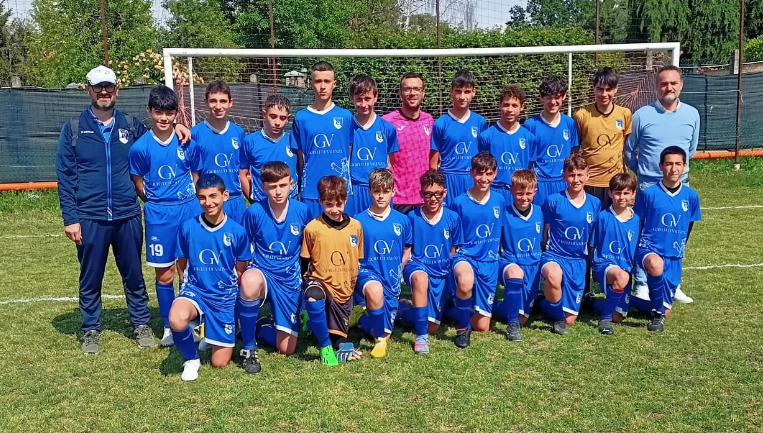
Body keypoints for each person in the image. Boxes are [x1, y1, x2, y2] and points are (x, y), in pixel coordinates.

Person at [55, 65, 159, 354]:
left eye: (109, 87)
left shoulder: (131, 125)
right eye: (98, 87)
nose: (104, 92)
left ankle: (141, 323)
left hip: (127, 215)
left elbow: (159, 142)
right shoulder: (74, 128)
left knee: (134, 275)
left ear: (117, 90)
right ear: (88, 90)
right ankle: (90, 329)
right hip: (90, 217)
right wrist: (71, 218)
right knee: (91, 277)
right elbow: (65, 176)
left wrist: (180, 128)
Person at [129, 85, 201, 347]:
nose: (163, 118)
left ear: (176, 113)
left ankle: (190, 323)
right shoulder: (140, 148)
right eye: (158, 112)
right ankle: (170, 327)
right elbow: (138, 181)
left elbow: (196, 172)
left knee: (187, 270)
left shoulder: (187, 142)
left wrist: (186, 195)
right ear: (149, 111)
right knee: (165, 274)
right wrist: (156, 201)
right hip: (159, 215)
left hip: (188, 210)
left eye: (169, 113)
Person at [625, 65, 700, 305]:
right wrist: (645, 174)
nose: (669, 87)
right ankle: (642, 284)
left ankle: (671, 283)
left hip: (680, 186)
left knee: (676, 234)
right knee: (645, 237)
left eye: (673, 83)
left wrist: (676, 173)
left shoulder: (692, 115)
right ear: (656, 86)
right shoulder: (641, 115)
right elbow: (629, 152)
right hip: (649, 187)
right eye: (664, 83)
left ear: (681, 85)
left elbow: (690, 150)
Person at [168, 173, 251, 382]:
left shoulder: (237, 232)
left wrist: (231, 302)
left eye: (213, 196)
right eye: (202, 197)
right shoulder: (188, 227)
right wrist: (184, 291)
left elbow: (240, 271)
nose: (208, 202)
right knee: (176, 318)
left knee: (219, 363)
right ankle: (191, 359)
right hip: (196, 291)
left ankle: (211, 331)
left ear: (225, 196)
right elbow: (182, 263)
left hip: (223, 298)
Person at [237, 162, 310, 373]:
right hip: (263, 272)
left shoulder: (302, 211)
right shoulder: (254, 212)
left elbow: (309, 247)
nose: (278, 191)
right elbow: (243, 248)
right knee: (250, 281)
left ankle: (261, 327)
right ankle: (249, 349)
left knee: (287, 348)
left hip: (289, 279)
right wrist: (240, 276)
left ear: (291, 185)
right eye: (272, 186)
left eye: (282, 185)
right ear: (263, 187)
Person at [631, 147, 701, 332]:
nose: (673, 168)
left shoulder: (691, 197)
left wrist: (679, 248)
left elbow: (689, 226)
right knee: (655, 264)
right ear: (661, 166)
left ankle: (626, 300)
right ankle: (657, 316)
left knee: (665, 310)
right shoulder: (649, 194)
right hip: (649, 249)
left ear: (685, 166)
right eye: (669, 164)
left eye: (678, 164)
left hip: (674, 256)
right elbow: (637, 223)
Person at [301, 176, 364, 366]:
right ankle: (325, 347)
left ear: (345, 200)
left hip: (344, 289)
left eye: (339, 204)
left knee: (339, 337)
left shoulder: (356, 227)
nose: (335, 209)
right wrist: (307, 283)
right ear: (320, 201)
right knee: (313, 295)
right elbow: (305, 261)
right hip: (320, 282)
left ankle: (312, 321)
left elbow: (357, 258)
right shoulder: (312, 228)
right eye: (329, 204)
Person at [398, 170, 462, 354]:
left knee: (433, 327)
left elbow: (454, 248)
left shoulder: (453, 218)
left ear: (445, 193)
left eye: (437, 194)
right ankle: (421, 337)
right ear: (421, 193)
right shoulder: (412, 217)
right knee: (420, 279)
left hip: (441, 273)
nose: (433, 199)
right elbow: (407, 249)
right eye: (428, 194)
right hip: (418, 266)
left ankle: (404, 309)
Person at [350, 169, 412, 358]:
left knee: (386, 332)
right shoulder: (358, 221)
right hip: (367, 274)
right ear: (369, 191)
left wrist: (398, 271)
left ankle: (360, 316)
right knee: (375, 289)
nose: (381, 196)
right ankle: (379, 341)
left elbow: (407, 251)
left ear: (393, 191)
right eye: (376, 191)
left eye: (385, 191)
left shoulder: (403, 220)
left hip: (391, 280)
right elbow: (353, 253)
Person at [539, 154, 601, 335]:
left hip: (577, 261)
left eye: (580, 175)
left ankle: (542, 303)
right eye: (571, 175)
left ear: (588, 176)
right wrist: (543, 253)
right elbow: (545, 230)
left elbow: (593, 235)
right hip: (555, 256)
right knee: (553, 275)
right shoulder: (553, 200)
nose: (576, 179)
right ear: (564, 176)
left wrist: (592, 260)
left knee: (571, 319)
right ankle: (557, 317)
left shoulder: (595, 203)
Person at [448, 151, 504, 348]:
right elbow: (452, 237)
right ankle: (463, 329)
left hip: (489, 261)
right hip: (465, 257)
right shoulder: (458, 202)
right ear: (471, 173)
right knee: (465, 281)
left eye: (489, 173)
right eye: (480, 173)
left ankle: (453, 310)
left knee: (482, 326)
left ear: (495, 174)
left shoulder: (499, 200)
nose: (484, 178)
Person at [292, 61, 354, 219]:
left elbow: (348, 153)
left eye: (327, 81)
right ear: (311, 84)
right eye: (318, 81)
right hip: (311, 191)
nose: (322, 86)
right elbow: (300, 159)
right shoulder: (301, 118)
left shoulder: (346, 116)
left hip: (340, 192)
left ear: (334, 84)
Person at [493, 170, 543, 342]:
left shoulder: (540, 212)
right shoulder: (503, 214)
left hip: (533, 267)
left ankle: (495, 305)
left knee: (523, 317)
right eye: (520, 193)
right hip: (510, 263)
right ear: (512, 191)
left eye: (528, 193)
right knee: (517, 318)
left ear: (535, 192)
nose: (524, 198)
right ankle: (511, 323)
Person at [573, 67, 632, 210]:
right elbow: (574, 150)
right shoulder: (582, 115)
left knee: (613, 220)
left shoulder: (625, 114)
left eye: (608, 89)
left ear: (616, 89)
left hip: (616, 182)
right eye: (600, 89)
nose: (604, 94)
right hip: (590, 182)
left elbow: (626, 147)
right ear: (593, 88)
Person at [590, 173, 640, 335]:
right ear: (610, 193)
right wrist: (593, 268)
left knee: (618, 316)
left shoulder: (636, 219)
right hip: (604, 265)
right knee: (621, 277)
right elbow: (592, 245)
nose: (621, 197)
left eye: (626, 193)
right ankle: (604, 320)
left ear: (633, 194)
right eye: (618, 193)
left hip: (625, 269)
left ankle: (591, 303)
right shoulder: (603, 217)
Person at [191, 80, 248, 223]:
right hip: (208, 202)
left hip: (234, 201)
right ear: (205, 102)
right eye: (213, 101)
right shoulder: (195, 134)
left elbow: (243, 170)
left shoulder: (239, 133)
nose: (218, 106)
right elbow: (194, 174)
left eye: (223, 101)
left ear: (230, 103)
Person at [429, 70, 488, 206]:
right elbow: (433, 164)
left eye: (467, 92)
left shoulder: (480, 122)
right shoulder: (441, 123)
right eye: (458, 91)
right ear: (451, 92)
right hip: (448, 179)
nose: (462, 96)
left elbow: (484, 158)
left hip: (472, 178)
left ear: (474, 92)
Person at [347, 75, 400, 216]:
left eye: (367, 98)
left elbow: (390, 162)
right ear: (352, 99)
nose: (363, 104)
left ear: (375, 97)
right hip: (355, 190)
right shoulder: (347, 128)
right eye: (359, 99)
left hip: (379, 191)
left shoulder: (387, 128)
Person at [382, 73, 435, 214]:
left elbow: (433, 160)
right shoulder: (387, 121)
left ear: (423, 93)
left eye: (417, 89)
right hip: (397, 199)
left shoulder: (429, 120)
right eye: (407, 89)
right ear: (400, 93)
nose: (412, 93)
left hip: (424, 197)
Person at [524, 76, 579, 206]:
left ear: (563, 96)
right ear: (541, 98)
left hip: (563, 182)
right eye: (548, 97)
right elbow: (527, 159)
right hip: (540, 183)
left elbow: (574, 153)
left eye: (557, 97)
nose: (553, 102)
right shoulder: (530, 125)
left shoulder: (569, 123)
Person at [478, 85, 536, 206]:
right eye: (506, 105)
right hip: (493, 192)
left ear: (522, 107)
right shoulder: (486, 136)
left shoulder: (529, 138)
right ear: (500, 106)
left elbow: (530, 168)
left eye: (514, 105)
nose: (510, 109)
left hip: (519, 193)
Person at [239, 94, 298, 204]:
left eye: (282, 118)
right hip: (262, 203)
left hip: (290, 203)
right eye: (273, 116)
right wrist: (253, 200)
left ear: (288, 119)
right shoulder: (250, 141)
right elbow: (242, 174)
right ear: (264, 114)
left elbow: (300, 169)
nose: (277, 122)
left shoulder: (294, 141)